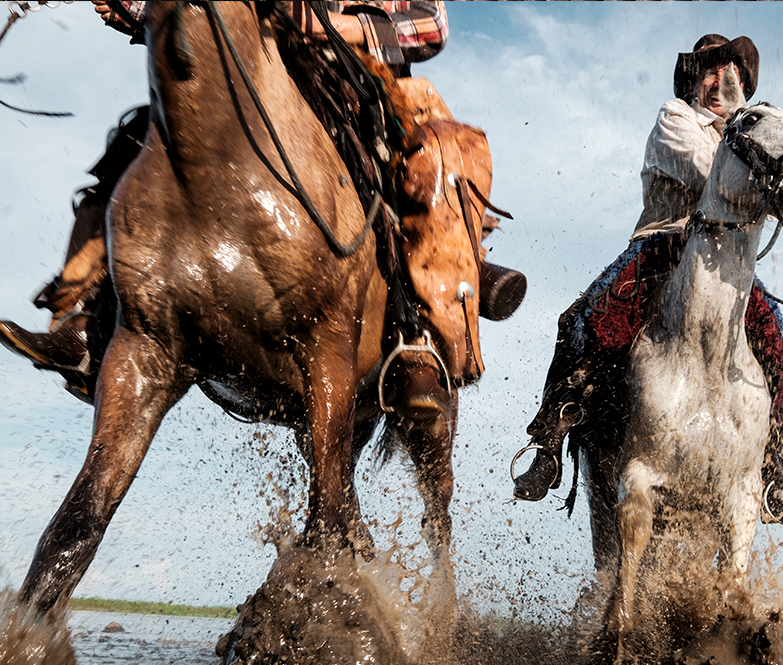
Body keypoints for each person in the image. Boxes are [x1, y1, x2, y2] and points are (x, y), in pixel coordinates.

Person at [0, 1, 525, 420]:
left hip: (368, 86)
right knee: (139, 137)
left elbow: (431, 24)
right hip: (268, 76)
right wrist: (139, 10)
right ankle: (88, 324)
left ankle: (416, 342)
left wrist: (332, 26)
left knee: (440, 156)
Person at [512, 34, 783, 526]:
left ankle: (776, 466)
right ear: (693, 81)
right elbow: (709, 177)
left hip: (726, 264)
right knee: (589, 317)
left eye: (731, 75)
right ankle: (549, 441)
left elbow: (776, 186)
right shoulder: (675, 117)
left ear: (742, 88)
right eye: (710, 71)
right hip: (662, 243)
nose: (720, 82)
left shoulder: (760, 138)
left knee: (780, 348)